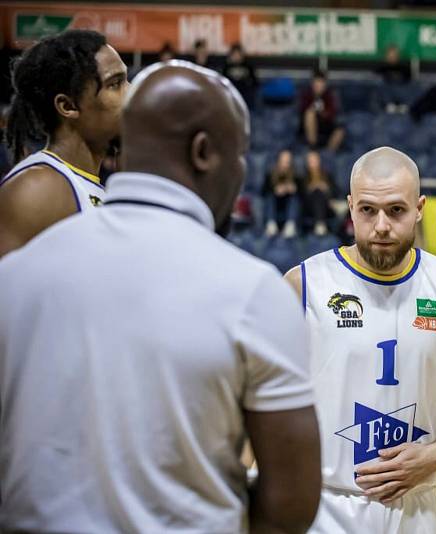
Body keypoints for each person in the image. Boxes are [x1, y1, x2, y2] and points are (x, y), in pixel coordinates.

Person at [0, 61, 321, 533]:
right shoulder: (252, 291)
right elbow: (290, 502)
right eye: (240, 156)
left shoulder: (17, 275)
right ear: (204, 152)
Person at [284, 146, 436, 533]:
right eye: (367, 210)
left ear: (420, 207)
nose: (381, 225)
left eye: (396, 210)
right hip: (323, 508)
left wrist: (435, 455)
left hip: (416, 511)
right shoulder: (305, 285)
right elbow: (260, 396)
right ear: (350, 207)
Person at [0, 30, 127, 258]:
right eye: (115, 84)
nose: (132, 92)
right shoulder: (38, 188)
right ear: (68, 106)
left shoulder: (93, 185)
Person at [299, 69, 345, 151]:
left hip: (326, 126)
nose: (318, 86)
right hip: (308, 129)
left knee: (340, 130)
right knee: (310, 114)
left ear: (325, 84)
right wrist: (313, 109)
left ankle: (329, 154)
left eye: (321, 83)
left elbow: (332, 114)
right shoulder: (306, 95)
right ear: (312, 84)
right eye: (316, 83)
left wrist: (322, 112)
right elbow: (302, 111)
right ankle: (313, 148)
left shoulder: (330, 96)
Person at [263, 148, 301, 238]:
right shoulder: (270, 174)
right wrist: (275, 190)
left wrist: (294, 189)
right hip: (275, 203)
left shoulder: (296, 175)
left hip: (288, 204)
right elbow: (263, 191)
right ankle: (270, 224)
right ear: (278, 161)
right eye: (283, 160)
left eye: (288, 161)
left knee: (295, 199)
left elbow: (302, 194)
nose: (285, 163)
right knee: (269, 197)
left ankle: (290, 224)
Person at [304, 149, 333, 236]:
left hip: (326, 204)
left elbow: (334, 190)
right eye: (311, 161)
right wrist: (313, 187)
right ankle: (320, 223)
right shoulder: (304, 176)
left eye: (315, 160)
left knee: (320, 192)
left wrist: (325, 188)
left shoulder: (326, 174)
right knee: (317, 192)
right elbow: (301, 194)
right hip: (309, 206)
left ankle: (320, 223)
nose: (313, 163)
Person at [223, 42, 258, 108]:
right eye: (234, 54)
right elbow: (224, 82)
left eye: (238, 54)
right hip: (232, 93)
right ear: (231, 55)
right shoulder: (227, 67)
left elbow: (255, 82)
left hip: (245, 93)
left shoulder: (248, 66)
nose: (237, 56)